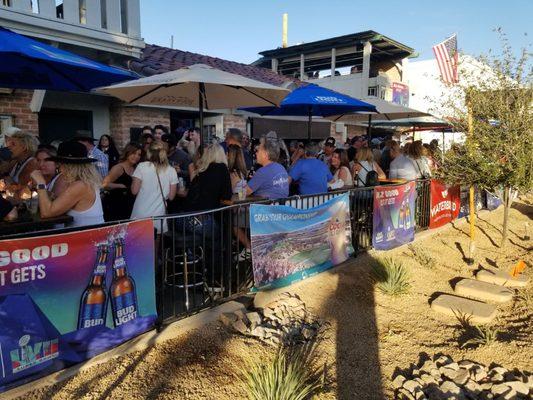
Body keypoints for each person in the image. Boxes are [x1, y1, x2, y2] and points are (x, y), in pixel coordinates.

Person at [30, 141, 104, 227]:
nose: (60, 168)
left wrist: (40, 183)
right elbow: (57, 202)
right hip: (89, 235)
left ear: (68, 165)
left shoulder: (80, 185)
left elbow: (46, 213)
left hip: (87, 237)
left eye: (61, 164)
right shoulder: (83, 182)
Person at [131, 141, 178, 232]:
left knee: (137, 244)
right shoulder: (171, 170)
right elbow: (171, 197)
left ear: (149, 152)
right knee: (156, 244)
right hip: (158, 215)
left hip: (140, 213)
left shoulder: (141, 166)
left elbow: (134, 191)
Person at [184, 143, 232, 211]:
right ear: (221, 155)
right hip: (208, 211)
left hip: (193, 211)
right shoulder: (222, 168)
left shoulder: (202, 169)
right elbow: (227, 195)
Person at [102, 143, 142, 221]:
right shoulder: (118, 168)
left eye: (139, 154)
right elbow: (104, 184)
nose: (136, 156)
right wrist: (120, 186)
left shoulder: (137, 168)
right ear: (127, 153)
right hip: (116, 206)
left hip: (130, 207)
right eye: (133, 153)